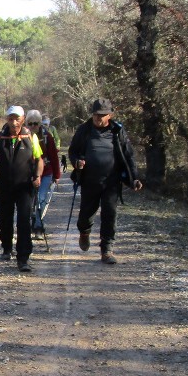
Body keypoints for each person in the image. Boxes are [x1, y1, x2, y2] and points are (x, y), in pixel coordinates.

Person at [68, 98, 143, 265]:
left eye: (102, 115)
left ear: (110, 115)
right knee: (86, 214)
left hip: (111, 181)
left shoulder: (118, 131)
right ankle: (84, 232)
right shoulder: (84, 130)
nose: (98, 118)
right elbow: (72, 152)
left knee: (110, 214)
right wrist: (77, 163)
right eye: (95, 115)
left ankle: (107, 249)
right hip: (89, 180)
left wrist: (134, 177)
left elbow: (128, 155)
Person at [0, 105, 43, 272]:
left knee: (24, 220)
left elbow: (39, 159)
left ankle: (23, 258)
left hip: (25, 186)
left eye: (17, 118)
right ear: (7, 119)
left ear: (23, 119)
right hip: (4, 185)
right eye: (11, 118)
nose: (14, 122)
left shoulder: (31, 137)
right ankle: (6, 247)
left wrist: (38, 176)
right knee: (5, 218)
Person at [25, 110, 61, 225]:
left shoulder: (47, 136)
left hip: (46, 172)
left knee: (41, 198)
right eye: (30, 123)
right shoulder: (22, 136)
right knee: (29, 200)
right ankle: (31, 218)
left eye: (35, 123)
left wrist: (57, 175)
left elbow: (54, 156)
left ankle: (38, 225)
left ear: (40, 123)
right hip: (27, 173)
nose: (33, 126)